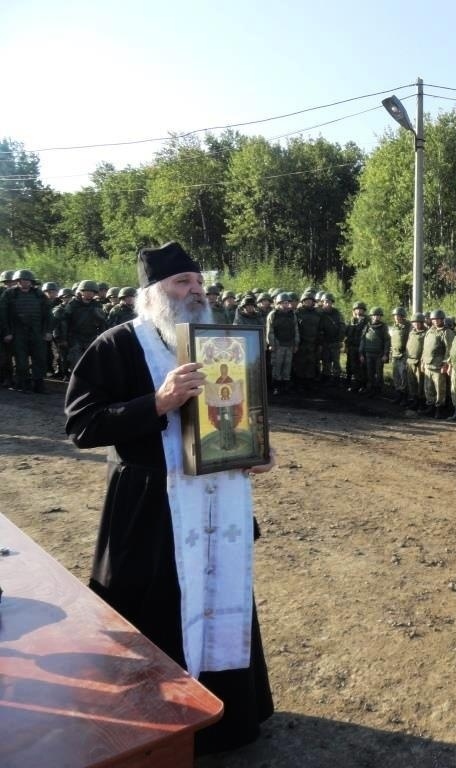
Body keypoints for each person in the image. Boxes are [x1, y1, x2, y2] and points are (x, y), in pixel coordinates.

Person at [64, 241, 274, 754]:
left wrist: (255, 450)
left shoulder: (222, 345)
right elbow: (81, 425)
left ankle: (229, 718)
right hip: (150, 510)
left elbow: (238, 418)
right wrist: (157, 401)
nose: (195, 293)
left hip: (218, 501)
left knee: (222, 596)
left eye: (199, 285)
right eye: (182, 283)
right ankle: (151, 728)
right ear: (153, 292)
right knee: (151, 607)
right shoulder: (118, 344)